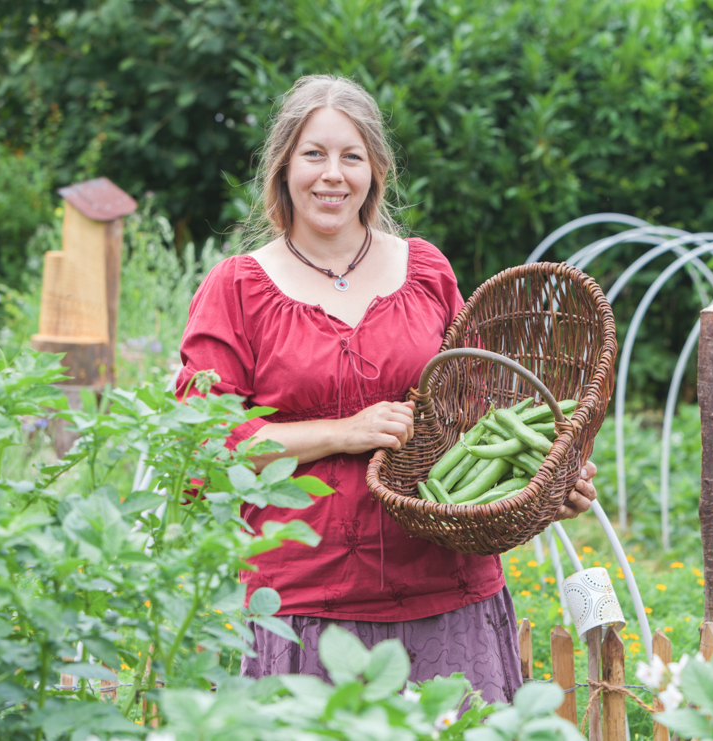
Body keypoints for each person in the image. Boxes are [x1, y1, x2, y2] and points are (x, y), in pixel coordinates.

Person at [175, 74, 597, 702]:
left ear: (376, 170)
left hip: (445, 590)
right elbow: (203, 446)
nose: (331, 175)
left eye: (352, 156)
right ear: (284, 164)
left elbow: (477, 413)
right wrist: (342, 433)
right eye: (313, 154)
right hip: (305, 598)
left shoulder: (424, 270)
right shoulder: (237, 287)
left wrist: (543, 478)